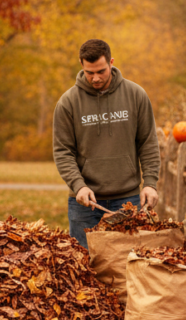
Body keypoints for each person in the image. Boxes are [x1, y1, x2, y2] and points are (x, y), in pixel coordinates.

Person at [52, 39, 160, 249]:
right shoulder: (68, 102)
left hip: (127, 200)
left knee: (127, 267)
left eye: (101, 71)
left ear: (111, 62)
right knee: (85, 268)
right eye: (89, 72)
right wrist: (78, 185)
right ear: (82, 66)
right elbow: (63, 151)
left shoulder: (135, 95)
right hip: (85, 203)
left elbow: (148, 143)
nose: (95, 78)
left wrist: (150, 183)